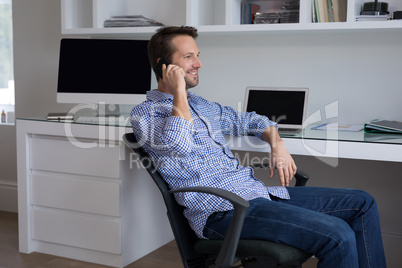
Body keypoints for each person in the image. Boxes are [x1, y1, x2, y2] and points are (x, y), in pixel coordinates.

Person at [130, 26, 386, 268]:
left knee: (362, 202)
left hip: (256, 195)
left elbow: (253, 119)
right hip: (222, 212)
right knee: (337, 234)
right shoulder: (146, 114)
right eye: (189, 57)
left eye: (198, 56)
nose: (199, 64)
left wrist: (278, 144)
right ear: (165, 66)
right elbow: (179, 145)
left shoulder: (204, 106)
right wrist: (179, 94)